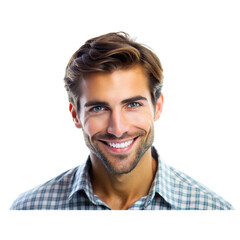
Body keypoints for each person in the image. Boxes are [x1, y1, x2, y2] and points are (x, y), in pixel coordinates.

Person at [10, 32, 233, 210]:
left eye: (133, 105)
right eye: (98, 108)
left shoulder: (212, 212)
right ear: (75, 115)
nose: (118, 129)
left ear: (157, 107)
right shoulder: (28, 211)